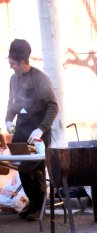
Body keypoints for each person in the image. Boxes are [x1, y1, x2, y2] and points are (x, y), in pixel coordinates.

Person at [5, 39, 58, 221]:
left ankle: (40, 206)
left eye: (12, 63)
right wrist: (8, 119)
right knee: (22, 169)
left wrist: (41, 129)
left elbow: (53, 106)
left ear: (21, 62)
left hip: (38, 134)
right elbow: (12, 103)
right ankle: (33, 203)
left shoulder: (40, 79)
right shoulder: (13, 79)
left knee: (36, 170)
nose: (11, 66)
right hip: (21, 131)